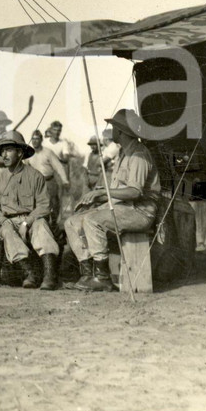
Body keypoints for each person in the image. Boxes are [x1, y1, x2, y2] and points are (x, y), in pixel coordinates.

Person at [63, 109, 160, 292]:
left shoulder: (138, 155)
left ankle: (103, 277)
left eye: (114, 127)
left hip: (140, 211)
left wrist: (103, 194)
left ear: (122, 132)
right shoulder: (123, 153)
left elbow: (134, 192)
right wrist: (98, 195)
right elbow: (118, 190)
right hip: (123, 207)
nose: (111, 130)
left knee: (93, 221)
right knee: (72, 221)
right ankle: (87, 273)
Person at [0, 130, 59, 290]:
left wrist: (27, 223)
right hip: (8, 222)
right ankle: (29, 273)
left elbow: (44, 206)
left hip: (31, 220)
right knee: (6, 229)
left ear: (20, 153)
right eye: (2, 151)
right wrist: (4, 221)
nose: (4, 155)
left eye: (8, 150)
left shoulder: (35, 176)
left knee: (41, 224)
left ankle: (49, 275)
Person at [27, 129, 69, 231]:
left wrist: (65, 180)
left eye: (37, 139)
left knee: (53, 204)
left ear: (41, 140)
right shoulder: (28, 154)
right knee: (35, 206)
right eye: (33, 139)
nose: (35, 141)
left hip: (49, 182)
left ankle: (54, 226)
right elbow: (25, 168)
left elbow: (58, 167)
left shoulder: (48, 152)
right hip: (35, 184)